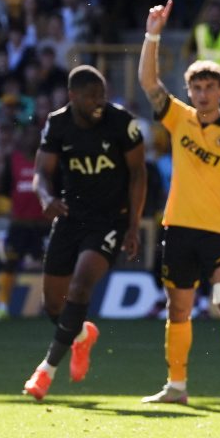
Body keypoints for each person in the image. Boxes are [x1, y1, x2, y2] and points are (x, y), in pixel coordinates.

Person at [138, 0, 220, 408]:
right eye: (197, 88)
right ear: (189, 91)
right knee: (178, 310)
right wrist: (152, 34)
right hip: (178, 228)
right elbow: (148, 81)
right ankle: (176, 386)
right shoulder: (179, 118)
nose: (204, 94)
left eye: (210, 87)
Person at [22, 65, 147, 400]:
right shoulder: (57, 123)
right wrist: (46, 197)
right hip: (70, 217)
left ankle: (46, 371)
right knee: (53, 305)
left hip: (110, 220)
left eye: (102, 95)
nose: (99, 102)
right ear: (72, 95)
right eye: (91, 96)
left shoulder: (122, 123)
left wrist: (134, 225)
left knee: (80, 285)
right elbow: (41, 172)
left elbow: (138, 174)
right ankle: (80, 336)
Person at [0, 124, 47, 322]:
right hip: (20, 224)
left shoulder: (48, 159)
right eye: (28, 135)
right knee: (10, 263)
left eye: (35, 135)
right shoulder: (12, 159)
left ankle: (53, 305)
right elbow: (5, 189)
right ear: (22, 139)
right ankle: (2, 307)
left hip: (43, 224)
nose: (31, 139)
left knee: (53, 265)